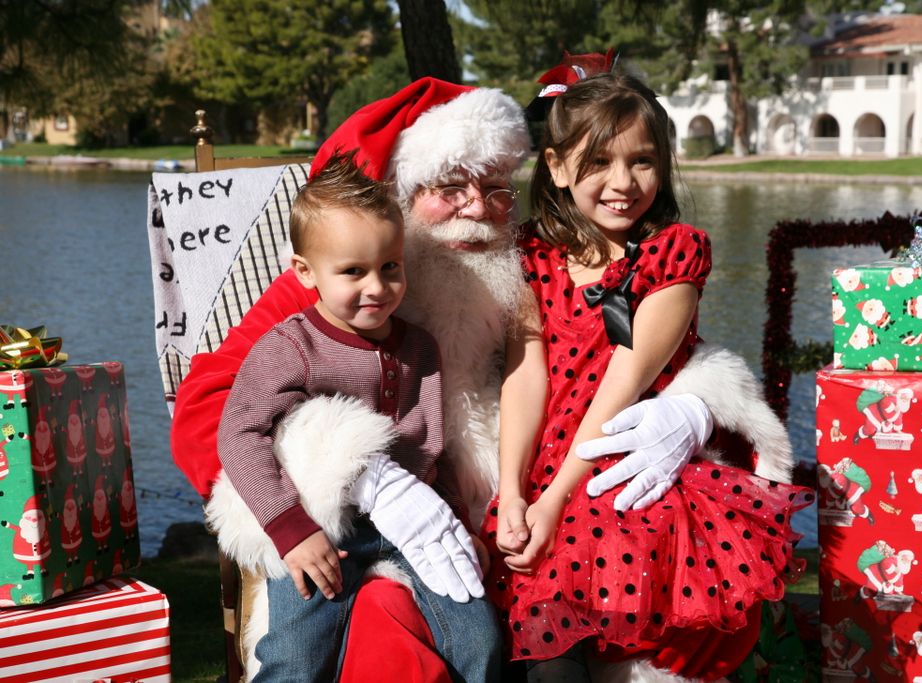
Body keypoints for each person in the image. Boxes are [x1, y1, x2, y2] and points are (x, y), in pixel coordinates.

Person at [171, 76, 797, 682]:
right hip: (377, 545)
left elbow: (629, 353)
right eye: (449, 187)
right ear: (400, 192)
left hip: (533, 522)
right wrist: (361, 472)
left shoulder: (521, 262)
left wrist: (692, 408)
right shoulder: (337, 280)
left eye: (496, 189)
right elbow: (209, 413)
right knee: (384, 634)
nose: (477, 211)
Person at [484, 73, 813, 681]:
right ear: (556, 167)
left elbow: (625, 379)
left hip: (623, 472)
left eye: (642, 162)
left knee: (603, 652)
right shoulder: (532, 256)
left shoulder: (673, 254)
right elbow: (524, 372)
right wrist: (512, 491)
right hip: (543, 471)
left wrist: (555, 501)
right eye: (599, 162)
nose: (622, 183)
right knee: (539, 655)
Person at [212, 151, 496, 682]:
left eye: (390, 267)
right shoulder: (290, 346)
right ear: (305, 271)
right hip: (318, 523)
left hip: (407, 524)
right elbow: (239, 434)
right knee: (296, 657)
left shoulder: (420, 349)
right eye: (353, 272)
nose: (377, 287)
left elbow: (432, 448)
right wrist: (290, 530)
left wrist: (454, 520)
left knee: (476, 636)